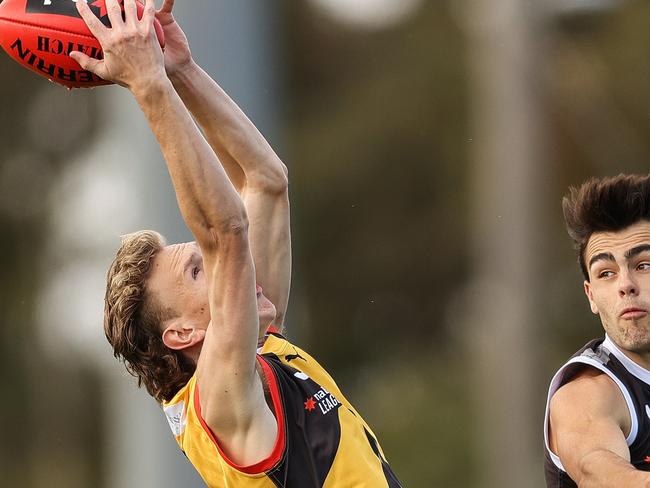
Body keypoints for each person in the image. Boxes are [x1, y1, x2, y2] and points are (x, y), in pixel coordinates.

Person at [70, 0, 403, 486]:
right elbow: (226, 233)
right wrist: (148, 85)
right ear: (183, 334)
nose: (226, 265)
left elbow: (265, 180)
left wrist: (181, 70)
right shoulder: (220, 397)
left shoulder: (258, 350)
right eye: (197, 270)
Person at [544, 173, 650, 487]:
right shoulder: (587, 393)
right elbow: (596, 471)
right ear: (591, 295)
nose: (626, 285)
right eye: (606, 273)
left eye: (643, 265)